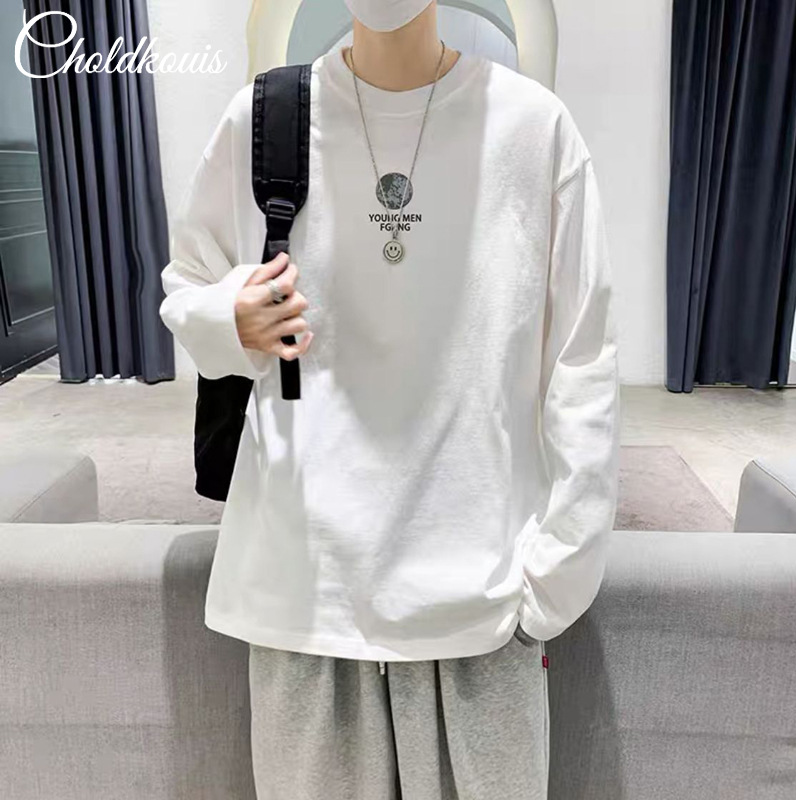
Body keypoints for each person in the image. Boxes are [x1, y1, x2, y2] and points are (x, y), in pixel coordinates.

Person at [158, 1, 620, 797]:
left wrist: (557, 573)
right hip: (305, 592)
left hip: (480, 597)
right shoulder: (264, 120)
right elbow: (187, 287)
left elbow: (582, 358)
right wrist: (230, 315)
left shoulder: (533, 128)